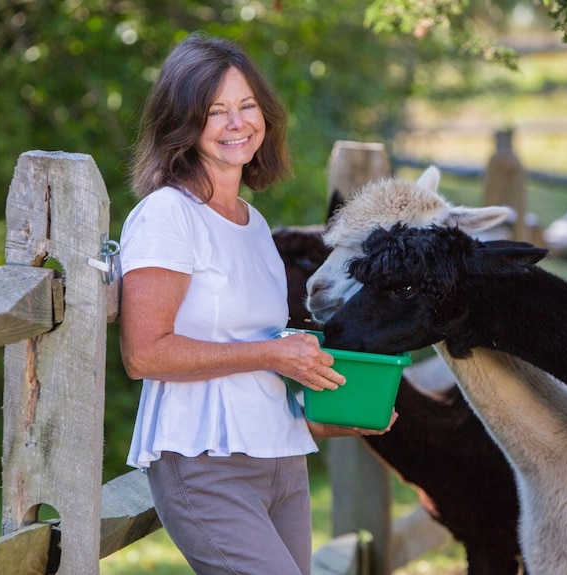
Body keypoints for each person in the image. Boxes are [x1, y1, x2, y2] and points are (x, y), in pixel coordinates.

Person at [119, 32, 396, 575]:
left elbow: (261, 365)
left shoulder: (253, 223)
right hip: (204, 466)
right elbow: (145, 355)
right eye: (215, 111)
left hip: (283, 462)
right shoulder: (167, 215)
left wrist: (333, 417)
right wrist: (272, 355)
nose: (237, 122)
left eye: (247, 106)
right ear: (183, 122)